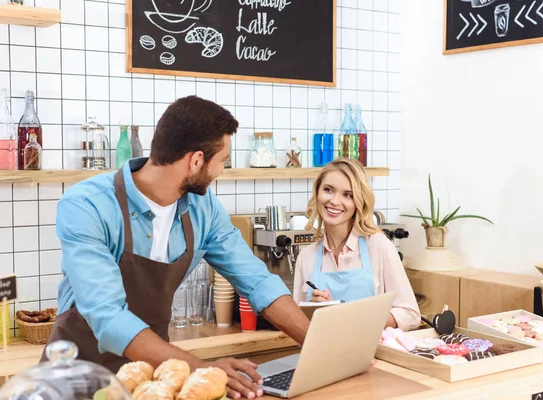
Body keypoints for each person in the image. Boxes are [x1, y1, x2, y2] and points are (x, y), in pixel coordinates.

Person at [42, 96, 309, 400]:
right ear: (196, 160)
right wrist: (201, 368)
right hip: (76, 374)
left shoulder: (204, 208)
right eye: (222, 160)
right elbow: (108, 316)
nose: (222, 170)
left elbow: (257, 281)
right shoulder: (87, 205)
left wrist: (316, 342)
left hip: (156, 377)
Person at [292, 158, 421, 331]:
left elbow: (410, 314)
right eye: (328, 190)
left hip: (373, 355)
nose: (335, 201)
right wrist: (314, 311)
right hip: (324, 354)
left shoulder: (378, 246)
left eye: (348, 195)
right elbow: (298, 324)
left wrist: (359, 318)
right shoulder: (306, 257)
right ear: (317, 192)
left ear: (358, 202)